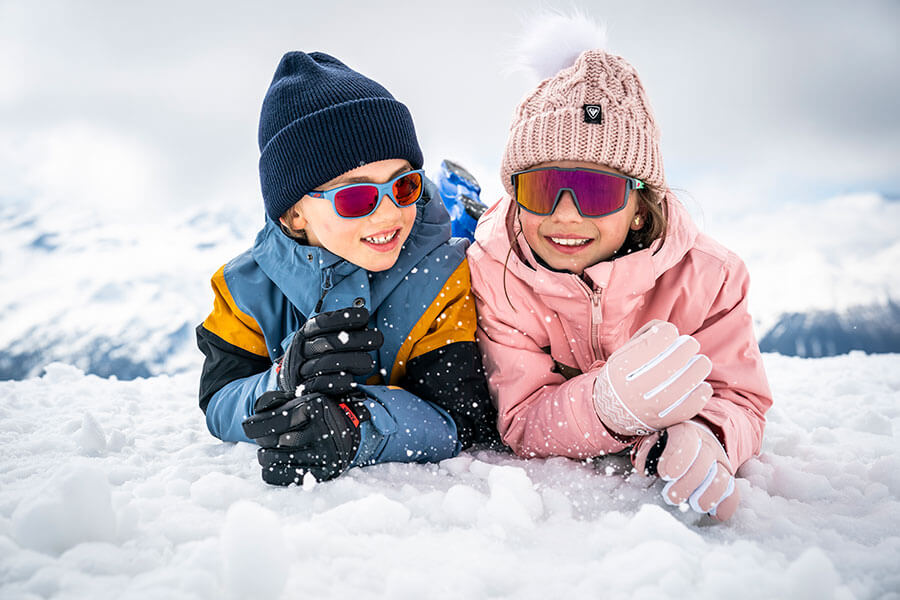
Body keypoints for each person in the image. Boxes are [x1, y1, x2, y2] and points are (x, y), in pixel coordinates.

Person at [466, 46, 773, 521]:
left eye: (597, 190)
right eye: (541, 188)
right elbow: (521, 417)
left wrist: (707, 433)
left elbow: (740, 397)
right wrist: (605, 407)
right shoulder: (496, 272)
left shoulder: (710, 277)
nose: (565, 214)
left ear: (637, 205)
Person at [196, 51, 497, 486]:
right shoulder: (243, 288)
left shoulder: (440, 276)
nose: (388, 214)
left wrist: (356, 426)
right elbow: (218, 401)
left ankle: (454, 204)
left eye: (405, 184)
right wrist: (284, 378)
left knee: (461, 229)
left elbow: (461, 417)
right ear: (293, 214)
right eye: (355, 198)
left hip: (435, 247)